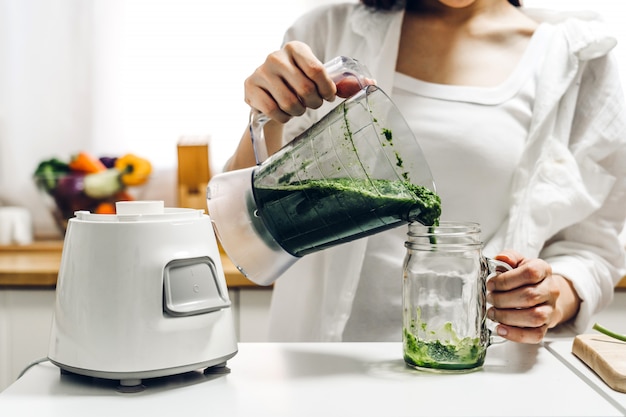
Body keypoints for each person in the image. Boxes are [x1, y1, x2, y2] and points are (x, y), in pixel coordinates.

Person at [225, 0, 626, 344]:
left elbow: (594, 248)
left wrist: (552, 293)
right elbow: (241, 227)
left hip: (480, 373)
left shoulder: (579, 57)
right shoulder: (327, 32)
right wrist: (266, 115)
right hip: (318, 374)